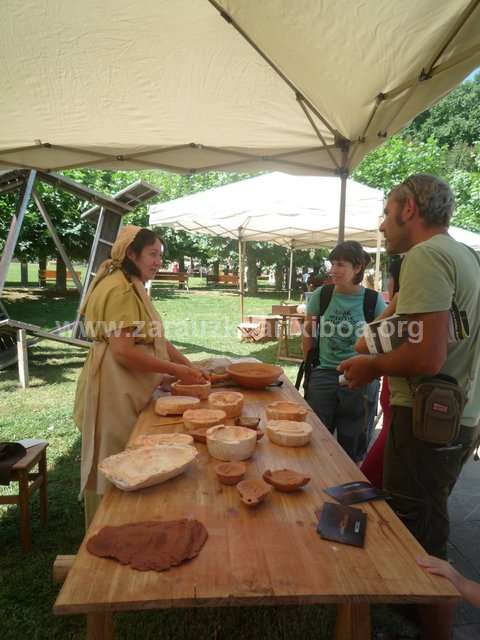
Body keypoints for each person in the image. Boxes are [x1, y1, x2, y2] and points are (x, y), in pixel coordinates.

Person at [338, 174, 480, 640]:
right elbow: (430, 336)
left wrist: (369, 367)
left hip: (426, 423)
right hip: (453, 419)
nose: (381, 226)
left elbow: (427, 356)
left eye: (386, 211)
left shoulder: (426, 255)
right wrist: (386, 325)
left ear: (410, 209)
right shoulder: (466, 255)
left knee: (422, 546)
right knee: (423, 529)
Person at [74, 226, 207, 527]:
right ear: (131, 254)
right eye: (152, 254)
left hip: (124, 381)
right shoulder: (120, 289)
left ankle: (128, 522)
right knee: (115, 457)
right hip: (113, 384)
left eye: (160, 255)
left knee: (129, 454)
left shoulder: (131, 284)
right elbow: (123, 352)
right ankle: (108, 527)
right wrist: (178, 371)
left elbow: (156, 337)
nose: (158, 261)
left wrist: (190, 367)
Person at [302, 240, 385, 461]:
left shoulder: (373, 300)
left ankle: (348, 486)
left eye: (341, 265)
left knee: (353, 444)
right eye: (332, 264)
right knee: (314, 438)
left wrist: (373, 371)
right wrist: (310, 366)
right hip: (324, 375)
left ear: (357, 268)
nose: (334, 270)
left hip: (359, 379)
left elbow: (384, 341)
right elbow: (308, 332)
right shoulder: (323, 295)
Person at [360, 256, 402, 488]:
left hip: (396, 430)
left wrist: (395, 304)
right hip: (394, 426)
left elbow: (362, 343)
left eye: (389, 278)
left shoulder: (405, 319)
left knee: (367, 484)